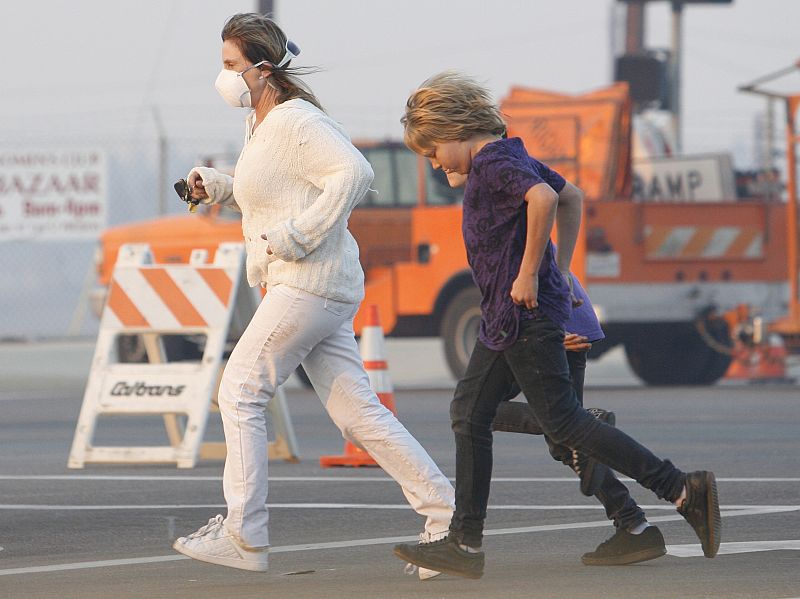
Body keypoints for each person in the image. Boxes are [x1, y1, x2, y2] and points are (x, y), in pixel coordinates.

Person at [393, 72, 721, 580]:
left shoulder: (494, 160)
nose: (434, 163)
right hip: (505, 319)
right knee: (471, 412)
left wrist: (532, 275)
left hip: (522, 315)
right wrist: (560, 271)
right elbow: (572, 197)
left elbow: (545, 201)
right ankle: (464, 543)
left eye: (433, 150)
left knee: (563, 425)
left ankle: (680, 488)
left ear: (455, 128)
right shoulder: (508, 156)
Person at [171, 14, 455, 572]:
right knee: (357, 414)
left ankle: (243, 535)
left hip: (306, 285)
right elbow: (279, 194)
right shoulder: (262, 123)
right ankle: (447, 518)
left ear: (262, 67)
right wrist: (222, 188)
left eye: (230, 65)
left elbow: (354, 173)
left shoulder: (297, 119)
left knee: (239, 392)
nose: (223, 77)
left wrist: (297, 238)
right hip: (319, 288)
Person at [445, 170, 667, 566]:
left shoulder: (504, 181)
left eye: (436, 151)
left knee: (492, 415)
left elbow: (543, 264)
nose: (435, 163)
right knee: (545, 433)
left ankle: (631, 516)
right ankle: (635, 528)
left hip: (551, 322)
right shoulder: (498, 191)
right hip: (544, 321)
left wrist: (554, 330)